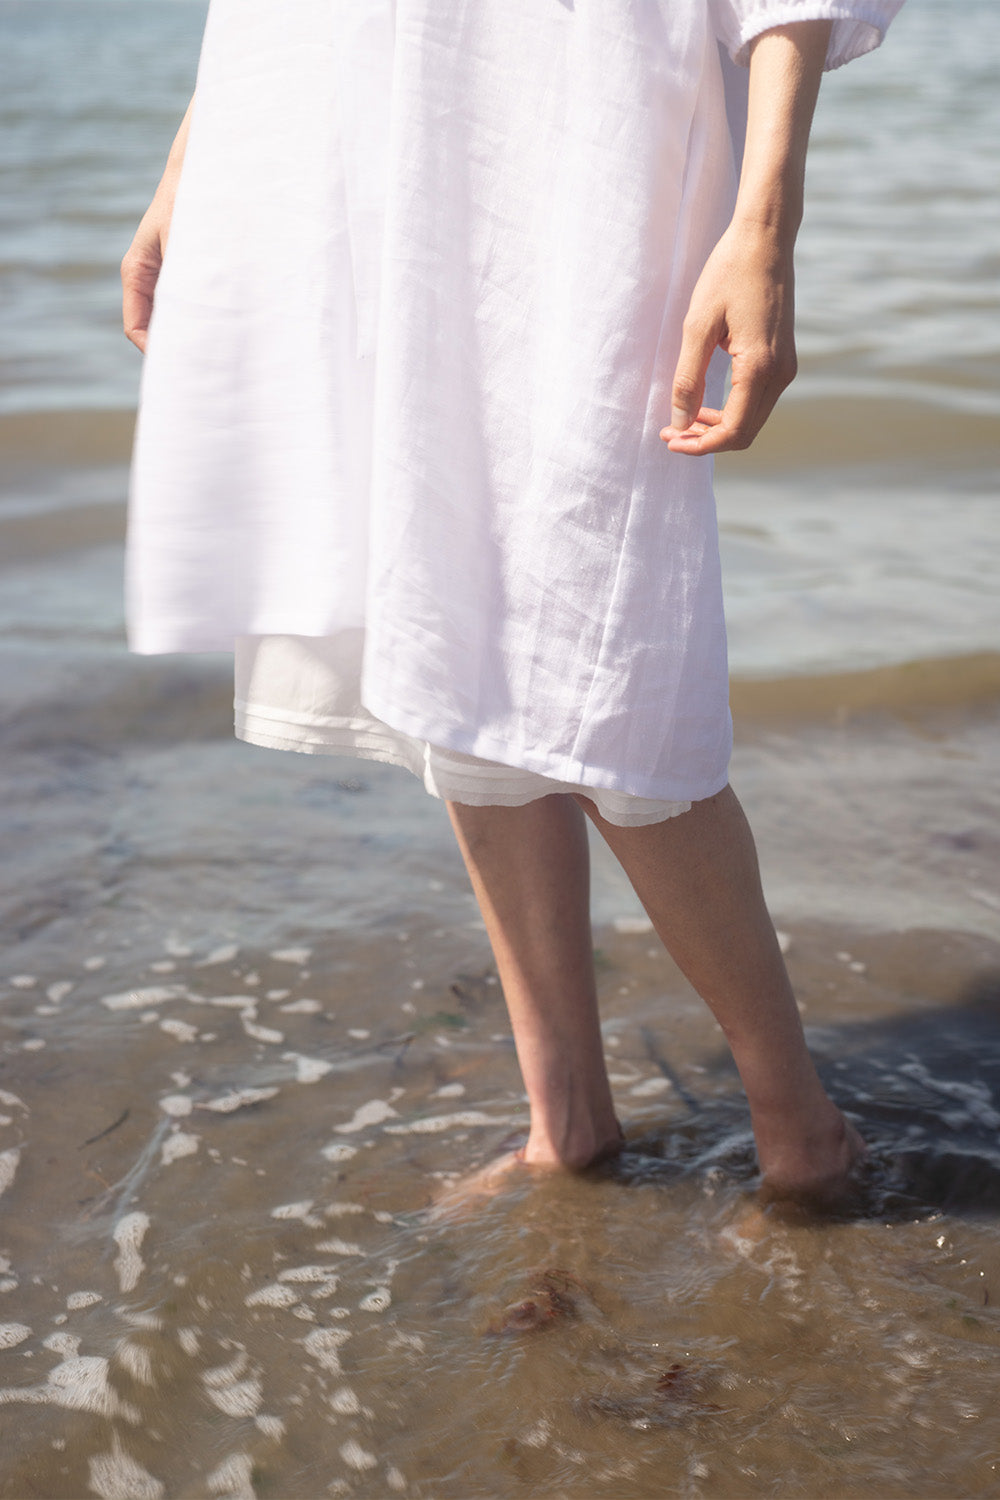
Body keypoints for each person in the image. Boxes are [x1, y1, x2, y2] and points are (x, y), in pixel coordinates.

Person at [122, 0, 903, 1202]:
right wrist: (197, 154)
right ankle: (566, 1119)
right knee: (451, 631)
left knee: (605, 642)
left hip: (582, 125)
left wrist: (764, 221)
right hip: (346, 129)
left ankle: (797, 1123)